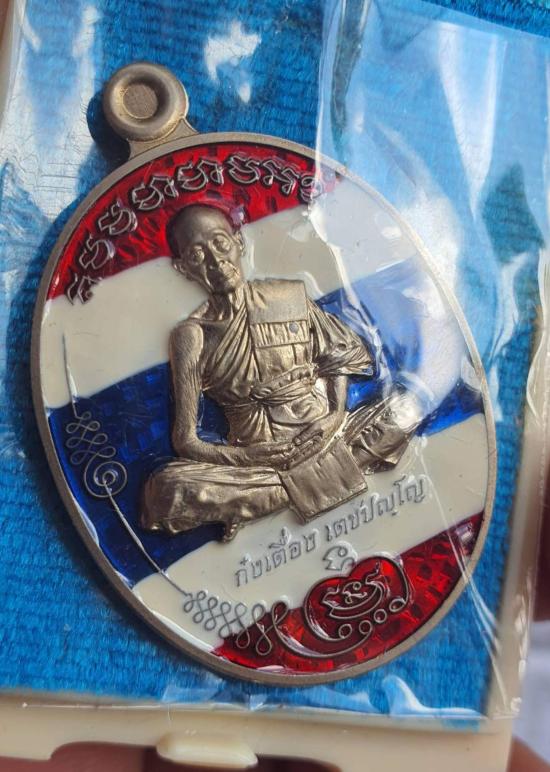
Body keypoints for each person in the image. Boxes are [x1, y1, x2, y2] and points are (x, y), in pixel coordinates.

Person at [141, 204, 420, 540]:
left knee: (407, 407)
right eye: (197, 256)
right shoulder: (191, 335)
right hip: (260, 463)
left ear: (238, 241)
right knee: (166, 490)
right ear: (183, 268)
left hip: (325, 434)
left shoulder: (286, 295)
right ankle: (318, 477)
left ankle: (275, 498)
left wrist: (334, 416)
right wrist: (244, 457)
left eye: (220, 243)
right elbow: (185, 439)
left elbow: (339, 355)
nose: (216, 262)